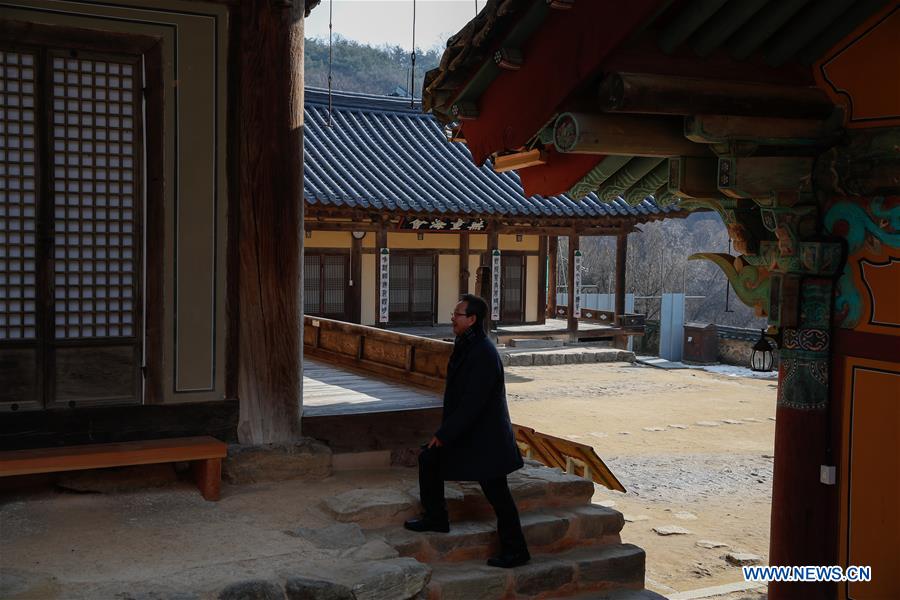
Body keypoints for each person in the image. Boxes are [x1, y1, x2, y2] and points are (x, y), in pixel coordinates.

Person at [403, 294, 530, 568]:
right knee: (429, 459)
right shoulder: (467, 345)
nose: (453, 318)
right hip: (472, 433)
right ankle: (436, 518)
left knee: (498, 494)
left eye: (457, 314)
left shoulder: (483, 352)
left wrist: (445, 433)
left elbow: (473, 403)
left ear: (472, 319)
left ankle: (516, 550)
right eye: (454, 313)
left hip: (486, 438)